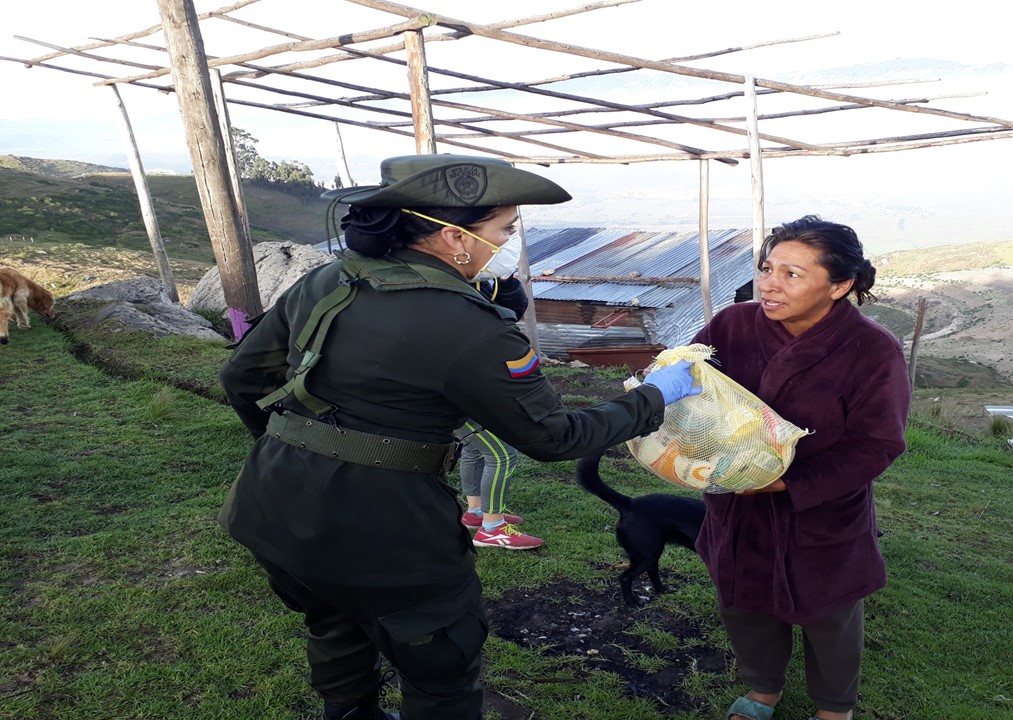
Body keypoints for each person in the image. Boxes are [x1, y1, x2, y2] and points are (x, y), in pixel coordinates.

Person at [217, 154, 700, 720]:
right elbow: (554, 435)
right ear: (454, 238)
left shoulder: (332, 279)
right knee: (440, 668)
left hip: (272, 506)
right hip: (386, 530)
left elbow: (242, 377)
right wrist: (653, 397)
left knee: (336, 623)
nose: (507, 244)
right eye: (504, 230)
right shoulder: (471, 325)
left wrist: (294, 448)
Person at [690, 215, 911, 720]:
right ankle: (762, 689)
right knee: (743, 602)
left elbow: (876, 444)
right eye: (767, 268)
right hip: (737, 502)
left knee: (829, 615)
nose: (769, 284)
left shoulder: (872, 350)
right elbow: (694, 385)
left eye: (792, 274)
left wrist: (789, 482)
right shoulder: (732, 325)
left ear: (839, 285)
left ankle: (834, 708)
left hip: (820, 509)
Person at [456, 275, 541, 549]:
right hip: (456, 399)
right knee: (502, 454)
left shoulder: (471, 289)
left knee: (473, 449)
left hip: (464, 396)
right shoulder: (457, 303)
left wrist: (505, 280)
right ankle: (492, 528)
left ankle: (476, 512)